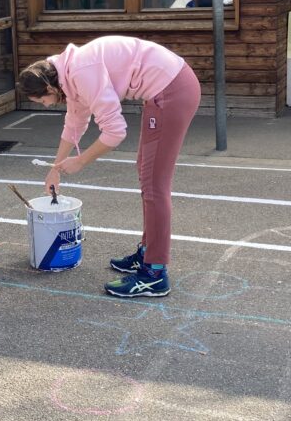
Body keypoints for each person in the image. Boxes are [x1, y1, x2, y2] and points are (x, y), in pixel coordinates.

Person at [18, 36, 201, 298]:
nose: (46, 105)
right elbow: (74, 124)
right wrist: (55, 169)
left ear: (49, 87)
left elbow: (115, 132)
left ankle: (155, 274)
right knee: (147, 173)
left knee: (154, 184)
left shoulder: (81, 71)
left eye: (43, 101)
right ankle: (147, 253)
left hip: (172, 90)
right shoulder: (68, 75)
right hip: (166, 89)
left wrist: (80, 161)